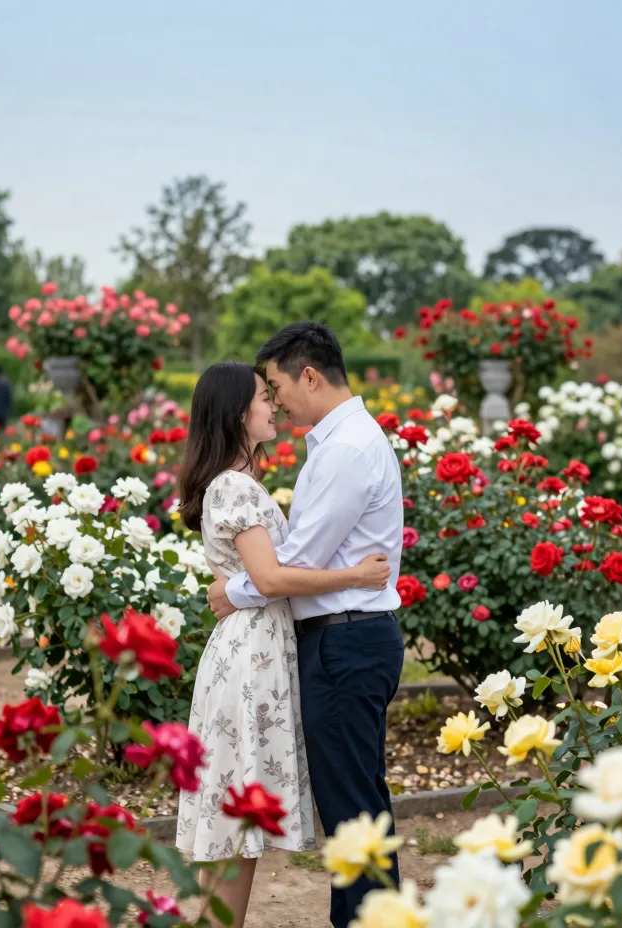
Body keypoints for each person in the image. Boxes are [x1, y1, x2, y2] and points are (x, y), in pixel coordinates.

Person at [176, 359, 392, 928]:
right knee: (237, 822)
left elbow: (261, 579)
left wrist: (235, 590)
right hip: (252, 653)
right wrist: (356, 576)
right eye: (261, 396)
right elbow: (271, 579)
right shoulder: (234, 486)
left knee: (237, 821)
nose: (272, 403)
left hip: (256, 647)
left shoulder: (235, 483)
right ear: (235, 414)